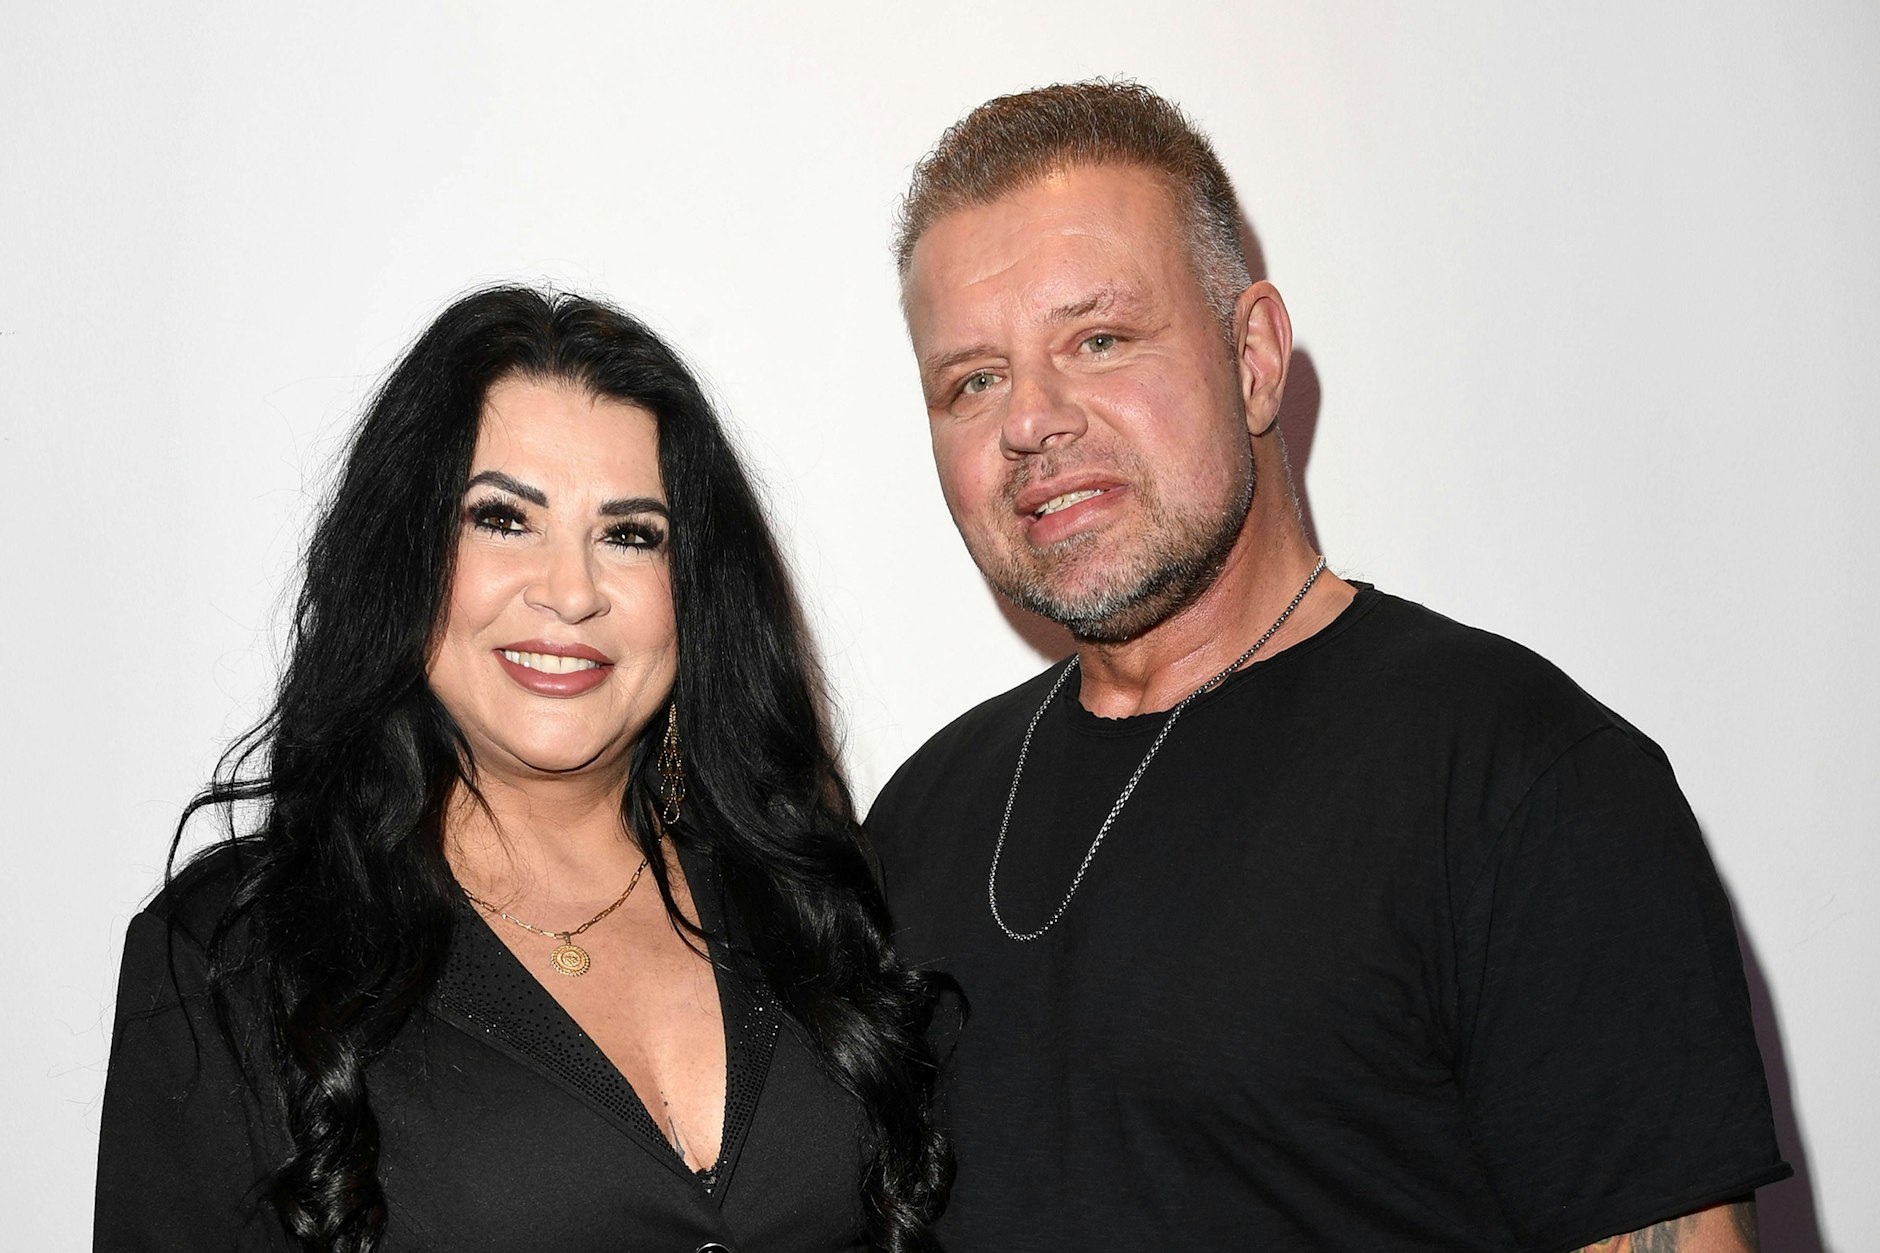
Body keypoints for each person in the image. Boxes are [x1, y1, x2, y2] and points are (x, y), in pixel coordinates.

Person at [868, 81, 1790, 1251]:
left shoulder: (1520, 779)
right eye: (972, 380)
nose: (1031, 421)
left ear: (1252, 354)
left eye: (1097, 340)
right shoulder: (914, 817)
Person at [97, 286, 950, 1252]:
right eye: (503, 519)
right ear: (404, 557)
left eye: (630, 534)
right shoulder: (234, 954)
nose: (572, 591)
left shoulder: (802, 893)